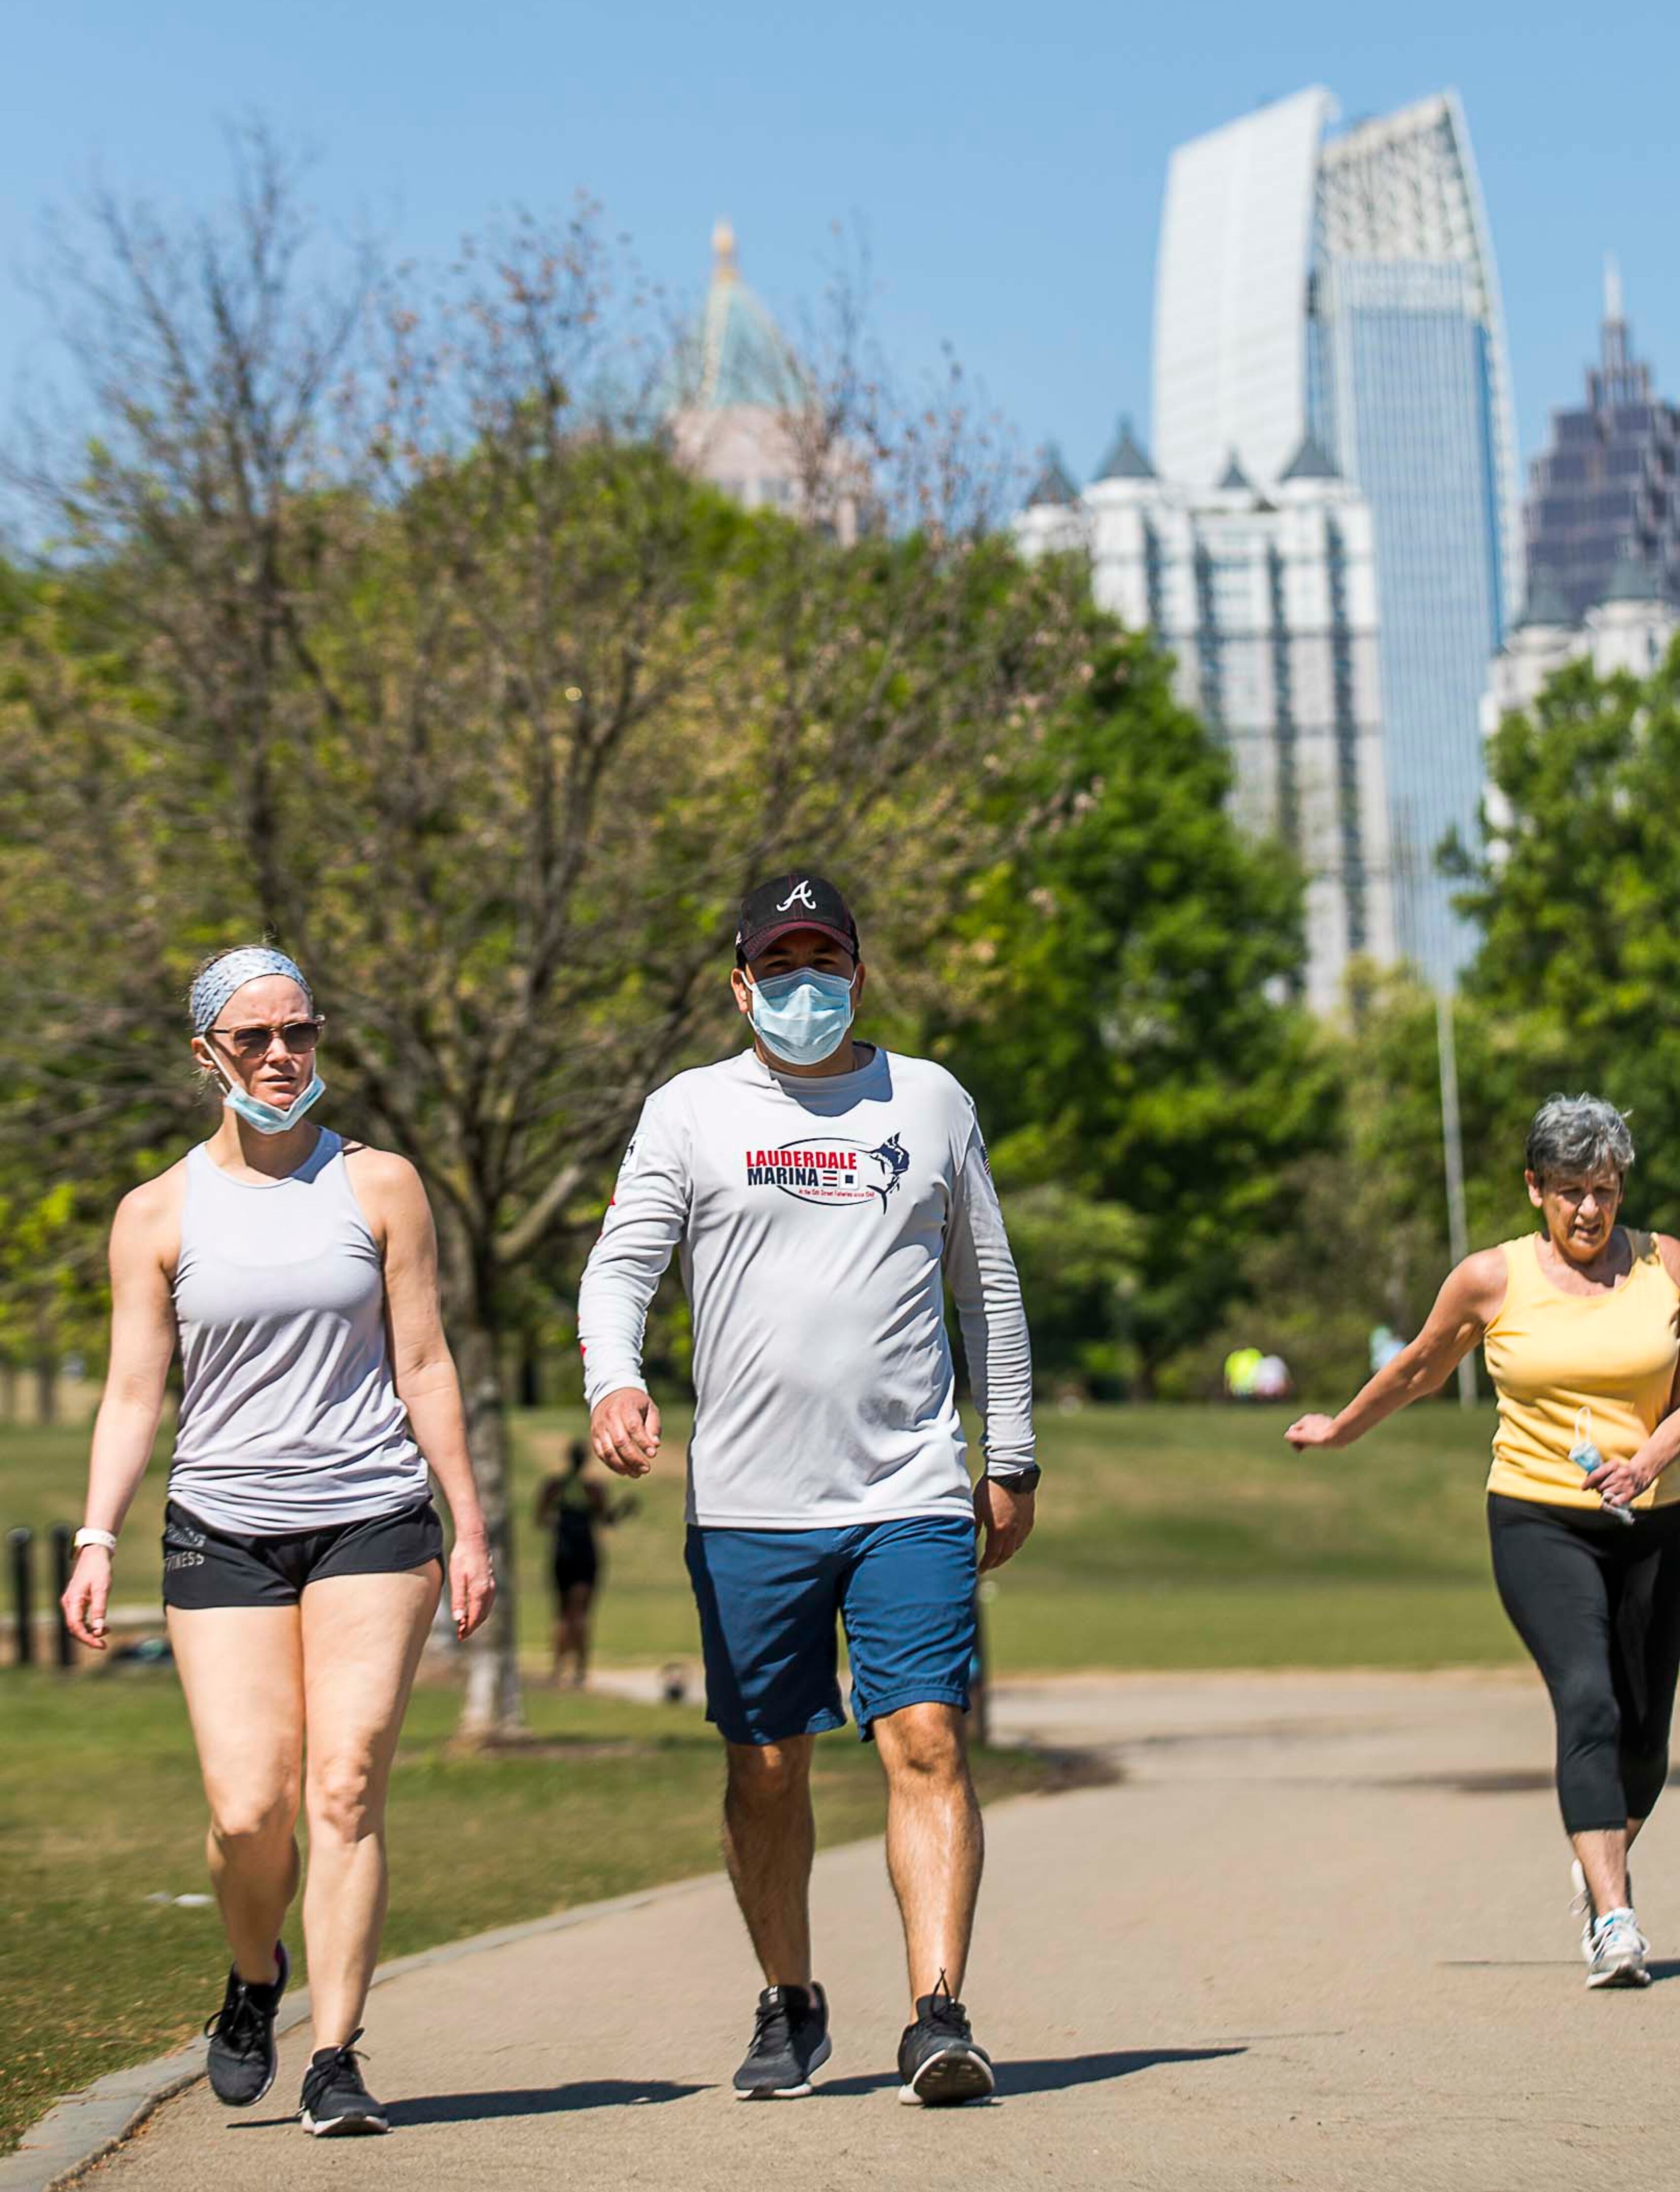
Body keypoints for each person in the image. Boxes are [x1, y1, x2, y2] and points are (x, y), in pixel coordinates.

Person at [579, 872, 1039, 2107]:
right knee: (764, 1768)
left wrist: (1010, 1455)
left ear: (857, 971)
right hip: (748, 1504)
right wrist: (612, 1381)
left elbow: (987, 1288)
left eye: (821, 964)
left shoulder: (930, 1102)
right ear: (739, 986)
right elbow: (620, 1269)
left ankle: (937, 2012)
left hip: (907, 1487)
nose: (801, 990)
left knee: (926, 1739)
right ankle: (788, 2000)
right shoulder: (687, 1112)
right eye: (777, 970)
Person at [60, 946, 495, 2135]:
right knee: (249, 1807)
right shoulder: (156, 1213)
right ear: (208, 1054)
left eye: (297, 1032)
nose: (280, 1056)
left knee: (345, 1787)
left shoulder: (382, 1185)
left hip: (372, 1516)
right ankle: (256, 1976)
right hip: (224, 1533)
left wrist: (467, 1527)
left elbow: (424, 1363)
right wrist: (97, 1536)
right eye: (253, 1039)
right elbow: (134, 1394)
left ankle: (338, 2054)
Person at [1285, 1093, 1680, 1990]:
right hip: (1537, 1516)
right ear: (1534, 1189)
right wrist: (1341, 1429)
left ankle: (1595, 1851)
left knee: (1646, 1741)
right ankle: (1614, 1915)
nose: (1590, 1210)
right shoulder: (1492, 1278)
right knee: (1587, 1701)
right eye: (1568, 1191)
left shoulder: (1666, 1263)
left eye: (1605, 1189)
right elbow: (1419, 1367)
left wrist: (1646, 1463)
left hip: (1652, 1521)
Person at [535, 1437, 630, 1687]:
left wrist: (560, 1522)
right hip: (585, 1554)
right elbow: (607, 1519)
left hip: (563, 1552)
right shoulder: (593, 1489)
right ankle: (579, 1671)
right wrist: (623, 1510)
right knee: (581, 1613)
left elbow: (541, 1519)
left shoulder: (555, 1486)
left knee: (562, 1612)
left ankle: (558, 1670)